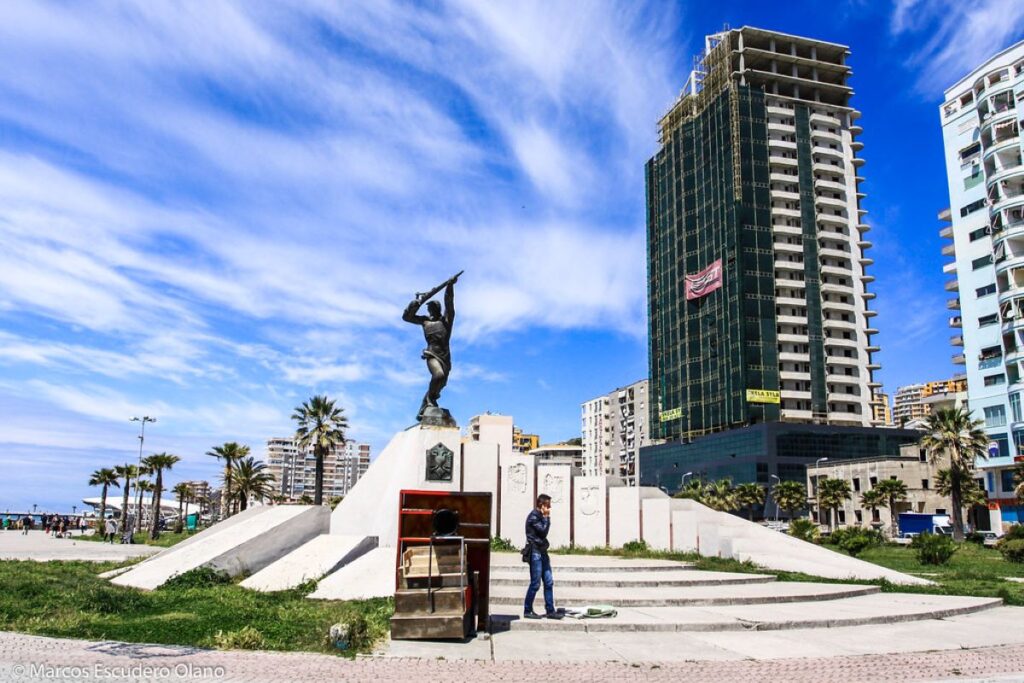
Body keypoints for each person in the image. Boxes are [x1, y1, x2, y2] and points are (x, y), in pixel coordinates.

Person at [402, 272, 461, 421]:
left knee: (441, 383)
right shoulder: (424, 321)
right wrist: (416, 303)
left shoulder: (446, 321)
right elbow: (407, 317)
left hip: (445, 357)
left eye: (433, 308)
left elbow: (449, 303)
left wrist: (449, 287)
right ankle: (428, 400)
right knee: (438, 375)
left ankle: (427, 402)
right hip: (432, 354)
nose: (430, 310)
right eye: (429, 308)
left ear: (437, 309)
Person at [523, 494, 562, 620]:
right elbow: (543, 531)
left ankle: (550, 610)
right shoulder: (534, 516)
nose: (550, 508)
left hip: (542, 552)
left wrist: (545, 517)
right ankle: (527, 610)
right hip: (535, 553)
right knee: (535, 583)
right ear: (542, 505)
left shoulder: (539, 516)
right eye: (548, 505)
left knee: (549, 581)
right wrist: (546, 517)